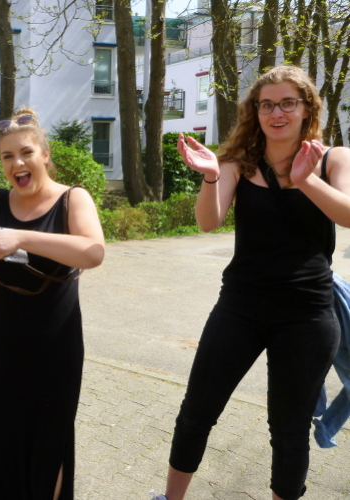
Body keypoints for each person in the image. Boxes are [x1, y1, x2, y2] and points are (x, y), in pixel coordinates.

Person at [150, 65, 350, 500]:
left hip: (307, 314)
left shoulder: (333, 159)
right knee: (197, 412)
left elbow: (348, 214)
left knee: (289, 430)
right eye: (266, 105)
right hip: (240, 307)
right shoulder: (237, 161)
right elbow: (208, 222)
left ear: (307, 108)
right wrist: (210, 176)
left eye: (287, 103)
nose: (276, 113)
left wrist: (305, 180)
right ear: (255, 112)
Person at [0, 108, 105, 499]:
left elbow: (93, 251)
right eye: (7, 156)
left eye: (26, 152)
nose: (17, 163)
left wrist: (22, 237)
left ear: (45, 155)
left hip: (54, 354)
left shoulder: (72, 199)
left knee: (45, 449)